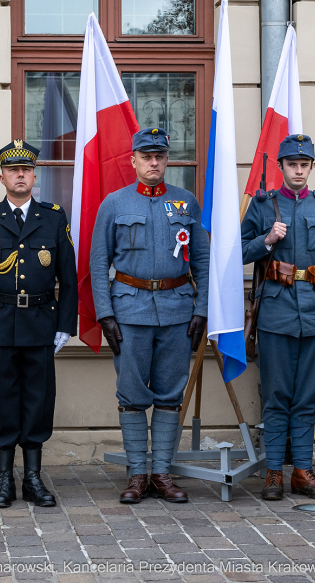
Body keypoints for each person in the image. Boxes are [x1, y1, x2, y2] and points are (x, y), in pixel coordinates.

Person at [89, 127, 209, 504]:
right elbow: (97, 264)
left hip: (177, 310)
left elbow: (202, 262)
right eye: (146, 156)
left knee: (171, 394)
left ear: (167, 160)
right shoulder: (114, 203)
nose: (153, 162)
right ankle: (137, 474)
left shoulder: (186, 202)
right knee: (132, 395)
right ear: (134, 160)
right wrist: (105, 313)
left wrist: (202, 308)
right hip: (129, 309)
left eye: (159, 156)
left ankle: (162, 474)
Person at [0, 139, 77, 508]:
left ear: (34, 176)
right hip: (0, 323)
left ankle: (33, 480)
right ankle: (5, 481)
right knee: (4, 401)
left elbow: (69, 278)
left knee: (39, 401)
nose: (20, 175)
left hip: (41, 322)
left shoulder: (54, 217)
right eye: (14, 170)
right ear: (2, 177)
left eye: (26, 169)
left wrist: (65, 324)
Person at [241, 134, 315, 501]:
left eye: (304, 165)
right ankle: (273, 472)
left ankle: (302, 471)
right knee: (276, 394)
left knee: (307, 396)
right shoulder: (263, 205)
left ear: (311, 167)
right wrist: (267, 239)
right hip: (276, 312)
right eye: (292, 165)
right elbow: (237, 252)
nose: (299, 170)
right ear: (282, 168)